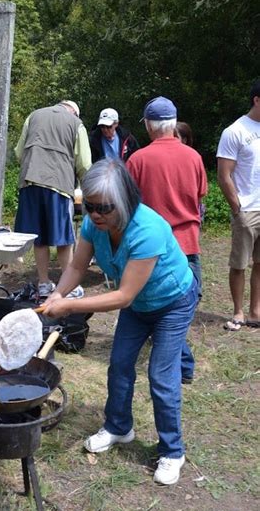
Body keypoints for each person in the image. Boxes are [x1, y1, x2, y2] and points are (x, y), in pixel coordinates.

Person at [41, 159, 198, 485]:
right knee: (120, 365)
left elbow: (124, 295)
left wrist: (70, 306)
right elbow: (76, 267)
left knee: (161, 376)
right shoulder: (93, 226)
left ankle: (172, 451)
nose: (95, 214)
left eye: (104, 208)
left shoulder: (148, 230)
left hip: (172, 302)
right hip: (139, 305)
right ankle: (118, 427)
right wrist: (57, 294)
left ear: (126, 201)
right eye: (89, 207)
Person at [126, 97, 208, 384]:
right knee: (179, 310)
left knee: (158, 310)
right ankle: (184, 367)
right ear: (174, 124)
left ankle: (181, 365)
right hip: (187, 244)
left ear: (149, 125)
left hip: (152, 249)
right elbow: (199, 199)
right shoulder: (194, 157)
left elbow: (129, 205)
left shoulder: (137, 160)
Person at [14, 99, 91, 299]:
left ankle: (44, 283)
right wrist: (87, 187)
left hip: (29, 182)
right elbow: (84, 162)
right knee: (64, 238)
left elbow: (19, 152)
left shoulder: (34, 115)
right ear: (74, 112)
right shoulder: (76, 124)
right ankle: (70, 286)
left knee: (39, 238)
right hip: (58, 185)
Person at [216, 79, 260, 330]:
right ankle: (238, 312)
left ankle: (256, 311)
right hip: (246, 209)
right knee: (239, 264)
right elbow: (224, 175)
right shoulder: (235, 131)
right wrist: (237, 208)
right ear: (256, 100)